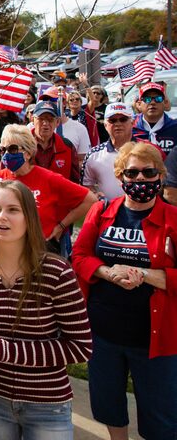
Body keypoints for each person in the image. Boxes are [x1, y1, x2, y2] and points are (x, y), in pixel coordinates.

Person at [0, 180, 92, 439]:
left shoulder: (57, 273)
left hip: (46, 403)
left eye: (13, 210)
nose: (2, 217)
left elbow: (80, 347)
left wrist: (7, 350)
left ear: (29, 217)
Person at [72, 142, 177, 440]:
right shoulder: (102, 211)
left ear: (160, 175)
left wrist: (142, 275)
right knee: (108, 404)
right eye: (132, 173)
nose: (141, 179)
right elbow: (79, 256)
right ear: (120, 177)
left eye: (148, 172)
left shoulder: (173, 219)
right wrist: (109, 273)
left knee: (161, 415)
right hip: (104, 334)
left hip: (156, 339)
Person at [0, 124, 97, 256]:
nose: (7, 154)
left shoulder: (48, 178)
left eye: (12, 149)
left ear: (28, 153)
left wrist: (61, 226)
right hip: (7, 252)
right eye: (3, 150)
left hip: (42, 251)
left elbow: (90, 200)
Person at [85, 102, 148, 201]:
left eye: (123, 119)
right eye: (112, 120)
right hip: (107, 212)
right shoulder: (93, 155)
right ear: (105, 125)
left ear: (132, 122)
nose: (118, 124)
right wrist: (94, 194)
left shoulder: (148, 150)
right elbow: (86, 185)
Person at [132, 81, 177, 156]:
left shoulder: (174, 127)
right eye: (147, 99)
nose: (152, 102)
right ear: (139, 105)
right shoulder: (130, 126)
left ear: (165, 103)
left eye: (158, 99)